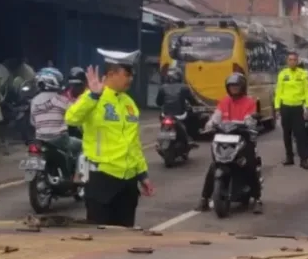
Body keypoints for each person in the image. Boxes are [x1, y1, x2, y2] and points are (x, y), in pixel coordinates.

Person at [65, 49, 154, 227]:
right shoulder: (93, 97)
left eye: (132, 75)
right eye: (127, 74)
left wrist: (142, 175)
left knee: (125, 236)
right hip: (101, 179)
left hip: (127, 181)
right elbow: (71, 118)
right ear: (111, 74)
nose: (131, 79)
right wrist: (93, 96)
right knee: (99, 236)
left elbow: (133, 143)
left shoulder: (129, 104)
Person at [196, 72, 263, 214]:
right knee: (214, 167)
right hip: (224, 138)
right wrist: (209, 125)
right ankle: (204, 199)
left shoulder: (249, 101)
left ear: (242, 87)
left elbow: (250, 118)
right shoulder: (224, 101)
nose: (234, 88)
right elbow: (216, 116)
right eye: (231, 86)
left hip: (243, 138)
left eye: (236, 86)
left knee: (249, 166)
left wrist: (249, 122)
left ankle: (257, 199)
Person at [29, 68, 82, 171]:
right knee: (83, 146)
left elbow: (32, 122)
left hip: (40, 139)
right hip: (59, 139)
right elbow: (74, 116)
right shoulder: (62, 100)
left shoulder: (34, 101)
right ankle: (77, 176)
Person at [274, 51, 308, 170]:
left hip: (298, 108)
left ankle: (304, 160)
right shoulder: (282, 74)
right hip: (285, 108)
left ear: (297, 61)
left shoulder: (304, 74)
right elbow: (278, 91)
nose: (292, 62)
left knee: (300, 134)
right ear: (287, 61)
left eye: (294, 60)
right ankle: (289, 158)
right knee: (287, 134)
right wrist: (277, 108)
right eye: (290, 60)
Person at [155, 67, 200, 140]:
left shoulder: (162, 88)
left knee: (162, 118)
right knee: (191, 117)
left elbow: (158, 103)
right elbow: (192, 101)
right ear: (179, 76)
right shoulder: (184, 87)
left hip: (166, 114)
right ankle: (188, 137)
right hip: (180, 115)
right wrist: (195, 105)